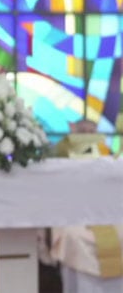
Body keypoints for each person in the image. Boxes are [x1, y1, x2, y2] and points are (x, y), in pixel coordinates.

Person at [49, 119, 123, 292]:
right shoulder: (61, 151)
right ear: (73, 129)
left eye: (92, 132)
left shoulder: (104, 152)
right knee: (74, 237)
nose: (88, 135)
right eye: (84, 131)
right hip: (71, 212)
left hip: (104, 210)